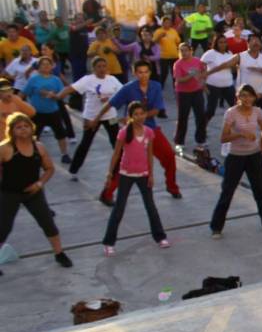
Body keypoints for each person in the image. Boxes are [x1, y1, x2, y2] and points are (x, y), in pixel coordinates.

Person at [95, 60, 182, 202]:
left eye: (146, 72)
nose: (143, 75)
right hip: (132, 132)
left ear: (150, 73)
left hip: (150, 129)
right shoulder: (128, 88)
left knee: (169, 156)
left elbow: (157, 109)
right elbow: (111, 104)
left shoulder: (156, 86)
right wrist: (96, 119)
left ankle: (172, 187)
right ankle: (107, 194)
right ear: (135, 73)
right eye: (140, 72)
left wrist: (139, 117)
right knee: (123, 164)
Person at [0, 113, 72, 272]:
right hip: (9, 193)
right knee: (3, 228)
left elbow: (49, 169)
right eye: (18, 127)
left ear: (31, 128)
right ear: (11, 130)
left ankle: (59, 253)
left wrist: (39, 184)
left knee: (48, 223)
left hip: (33, 193)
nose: (23, 129)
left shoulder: (39, 147)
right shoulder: (5, 148)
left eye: (26, 126)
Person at [101, 101, 170, 255]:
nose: (140, 117)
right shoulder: (124, 132)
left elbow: (149, 155)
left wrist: (151, 174)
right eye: (136, 114)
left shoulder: (149, 132)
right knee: (119, 209)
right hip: (126, 174)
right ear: (130, 116)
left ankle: (160, 237)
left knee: (151, 207)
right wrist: (110, 173)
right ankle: (109, 242)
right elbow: (116, 154)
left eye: (142, 113)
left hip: (143, 175)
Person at [210, 85, 262, 237]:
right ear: (238, 97)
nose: (247, 99)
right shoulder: (231, 113)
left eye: (250, 96)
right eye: (243, 96)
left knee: (261, 190)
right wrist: (241, 134)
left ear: (254, 97)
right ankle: (216, 227)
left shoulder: (257, 111)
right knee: (228, 191)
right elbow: (223, 138)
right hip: (236, 157)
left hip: (254, 155)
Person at [57, 58, 121, 180]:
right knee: (85, 143)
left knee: (116, 143)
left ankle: (119, 170)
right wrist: (58, 96)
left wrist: (109, 99)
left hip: (110, 116)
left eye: (104, 66)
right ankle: (73, 170)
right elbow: (71, 88)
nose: (102, 69)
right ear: (93, 68)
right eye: (99, 66)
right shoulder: (88, 80)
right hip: (91, 117)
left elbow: (122, 92)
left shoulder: (112, 79)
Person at [23, 57, 71, 163]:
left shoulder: (56, 80)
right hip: (37, 113)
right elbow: (24, 93)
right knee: (34, 135)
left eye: (48, 64)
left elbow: (61, 95)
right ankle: (32, 154)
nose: (45, 66)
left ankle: (64, 154)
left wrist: (53, 95)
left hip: (53, 112)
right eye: (43, 64)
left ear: (51, 66)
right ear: (39, 67)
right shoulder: (33, 79)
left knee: (60, 134)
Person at [173, 42, 209, 148]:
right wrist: (191, 75)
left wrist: (203, 78)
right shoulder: (178, 64)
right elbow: (179, 80)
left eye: (186, 50)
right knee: (183, 117)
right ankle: (179, 142)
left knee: (200, 116)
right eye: (181, 51)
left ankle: (201, 140)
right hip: (183, 93)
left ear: (191, 51)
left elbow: (204, 70)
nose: (184, 53)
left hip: (197, 91)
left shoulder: (197, 61)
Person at [200, 34, 238, 120]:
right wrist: (203, 83)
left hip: (228, 85)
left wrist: (234, 66)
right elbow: (200, 67)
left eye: (225, 42)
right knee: (210, 111)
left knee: (236, 107)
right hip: (213, 85)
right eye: (220, 42)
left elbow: (233, 69)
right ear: (216, 43)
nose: (223, 44)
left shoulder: (229, 53)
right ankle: (202, 127)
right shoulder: (210, 53)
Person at [235, 34, 262, 98]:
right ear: (248, 43)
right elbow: (227, 65)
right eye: (253, 40)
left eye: (257, 40)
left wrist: (258, 69)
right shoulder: (240, 56)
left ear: (261, 44)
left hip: (261, 95)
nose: (255, 42)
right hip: (245, 96)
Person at [153, 17, 181, 87]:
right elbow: (153, 42)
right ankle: (160, 87)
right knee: (163, 73)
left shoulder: (173, 31)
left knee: (174, 72)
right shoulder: (158, 31)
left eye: (169, 22)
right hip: (163, 56)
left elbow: (178, 42)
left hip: (174, 56)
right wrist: (159, 37)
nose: (167, 24)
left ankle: (176, 87)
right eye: (165, 23)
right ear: (162, 23)